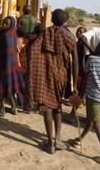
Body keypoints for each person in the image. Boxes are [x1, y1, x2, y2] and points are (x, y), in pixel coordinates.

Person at [28, 9, 78, 154]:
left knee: (47, 107)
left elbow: (32, 50)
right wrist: (74, 83)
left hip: (45, 74)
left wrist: (37, 68)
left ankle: (50, 143)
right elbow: (75, 62)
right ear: (65, 21)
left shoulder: (44, 33)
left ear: (51, 19)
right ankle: (57, 139)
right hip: (61, 75)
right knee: (57, 106)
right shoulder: (70, 36)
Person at [70, 39, 100, 168]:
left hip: (94, 96)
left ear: (99, 48)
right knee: (92, 119)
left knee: (96, 123)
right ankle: (79, 140)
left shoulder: (92, 60)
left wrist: (80, 95)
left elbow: (85, 76)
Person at [0, 16, 25, 116]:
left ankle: (2, 109)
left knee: (1, 88)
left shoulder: (4, 37)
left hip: (2, 67)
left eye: (6, 23)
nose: (4, 25)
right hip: (12, 67)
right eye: (3, 23)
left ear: (11, 25)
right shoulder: (12, 34)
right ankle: (14, 108)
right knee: (10, 89)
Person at [65, 26, 88, 123]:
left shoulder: (82, 43)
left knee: (77, 91)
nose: (78, 33)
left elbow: (82, 57)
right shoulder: (77, 42)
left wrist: (81, 69)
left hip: (79, 70)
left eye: (81, 31)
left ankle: (73, 114)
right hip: (76, 69)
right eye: (78, 31)